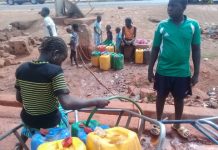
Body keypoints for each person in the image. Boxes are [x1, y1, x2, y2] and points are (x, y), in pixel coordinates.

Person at [14, 37, 110, 149]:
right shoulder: (54, 71)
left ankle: (21, 143)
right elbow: (67, 103)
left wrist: (36, 102)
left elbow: (19, 98)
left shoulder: (21, 69)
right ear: (55, 54)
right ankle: (64, 143)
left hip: (28, 119)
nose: (61, 64)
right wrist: (95, 101)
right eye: (61, 60)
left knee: (29, 118)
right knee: (62, 113)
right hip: (49, 122)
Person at [148, 0, 201, 138]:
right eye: (168, 5)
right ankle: (158, 122)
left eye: (173, 5)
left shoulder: (193, 25)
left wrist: (196, 73)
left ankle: (177, 124)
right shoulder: (162, 25)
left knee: (179, 99)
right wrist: (150, 69)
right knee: (160, 96)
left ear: (184, 7)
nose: (169, 8)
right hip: (163, 70)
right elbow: (154, 49)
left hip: (182, 72)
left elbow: (196, 50)